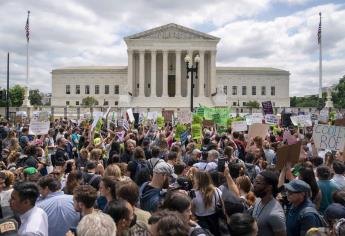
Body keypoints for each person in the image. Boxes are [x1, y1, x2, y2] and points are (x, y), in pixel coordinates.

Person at [252, 170, 286, 236]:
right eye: (254, 181)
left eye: (258, 183)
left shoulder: (275, 215)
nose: (254, 185)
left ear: (269, 187)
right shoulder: (258, 200)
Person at [191, 170, 223, 235]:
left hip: (200, 220)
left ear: (197, 180)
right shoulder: (216, 190)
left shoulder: (193, 193)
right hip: (215, 218)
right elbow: (222, 203)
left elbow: (192, 210)